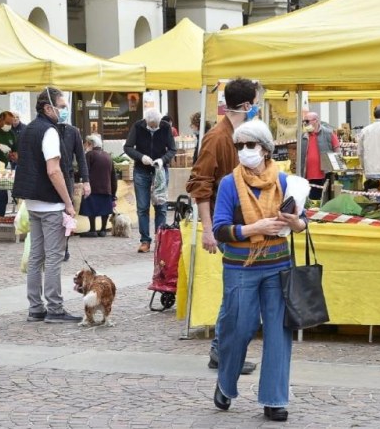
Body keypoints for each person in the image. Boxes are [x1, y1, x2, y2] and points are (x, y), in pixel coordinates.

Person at [211, 119, 306, 422]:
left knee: (279, 330)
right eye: (239, 146)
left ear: (265, 149)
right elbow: (220, 229)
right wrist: (255, 227)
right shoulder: (229, 183)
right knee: (238, 327)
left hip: (279, 265)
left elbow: (304, 223)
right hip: (241, 267)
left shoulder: (285, 182)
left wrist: (295, 223)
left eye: (250, 145)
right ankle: (226, 382)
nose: (243, 151)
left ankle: (274, 399)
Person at [185, 77, 259, 376]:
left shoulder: (239, 134)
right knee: (236, 294)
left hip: (241, 225)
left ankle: (223, 349)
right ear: (245, 105)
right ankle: (223, 351)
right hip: (227, 226)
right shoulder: (217, 137)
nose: (257, 108)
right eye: (255, 103)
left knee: (238, 294)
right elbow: (199, 184)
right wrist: (207, 230)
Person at [12, 87, 81, 324]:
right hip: (50, 203)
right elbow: (54, 170)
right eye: (61, 106)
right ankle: (55, 308)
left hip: (32, 202)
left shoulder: (28, 129)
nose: (64, 110)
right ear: (48, 108)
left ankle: (35, 307)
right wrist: (68, 202)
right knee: (53, 257)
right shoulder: (49, 132)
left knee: (35, 257)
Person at [123, 108, 176, 253]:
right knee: (142, 207)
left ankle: (161, 240)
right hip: (142, 170)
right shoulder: (138, 126)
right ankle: (145, 241)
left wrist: (162, 159)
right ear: (146, 121)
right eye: (151, 125)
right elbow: (127, 147)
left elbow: (172, 149)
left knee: (161, 206)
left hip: (160, 171)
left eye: (156, 125)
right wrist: (141, 157)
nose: (154, 127)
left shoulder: (165, 127)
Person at [58, 118, 90, 261]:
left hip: (67, 177)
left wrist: (86, 181)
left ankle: (64, 248)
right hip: (47, 177)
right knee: (51, 213)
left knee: (67, 213)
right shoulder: (46, 129)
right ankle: (53, 248)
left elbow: (81, 158)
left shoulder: (73, 132)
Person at [79, 134, 116, 237]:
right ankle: (103, 229)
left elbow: (84, 170)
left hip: (93, 188)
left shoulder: (89, 155)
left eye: (86, 143)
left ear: (90, 144)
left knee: (92, 209)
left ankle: (92, 229)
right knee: (104, 210)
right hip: (106, 189)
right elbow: (114, 176)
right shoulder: (108, 156)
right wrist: (113, 192)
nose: (85, 145)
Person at [300, 112, 341, 200]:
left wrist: (337, 169)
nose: (305, 124)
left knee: (325, 200)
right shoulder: (303, 135)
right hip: (307, 174)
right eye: (304, 121)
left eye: (307, 121)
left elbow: (337, 149)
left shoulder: (328, 133)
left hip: (325, 173)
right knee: (312, 201)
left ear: (316, 121)